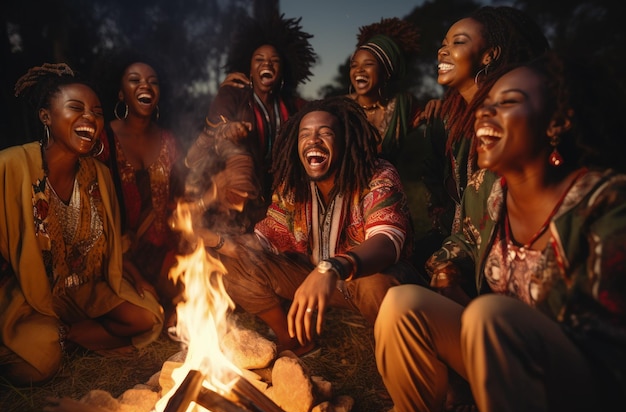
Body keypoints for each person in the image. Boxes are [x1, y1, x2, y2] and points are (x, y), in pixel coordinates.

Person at [374, 52, 626, 412]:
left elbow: (609, 346)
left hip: (591, 385)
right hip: (500, 352)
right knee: (403, 306)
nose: (484, 113)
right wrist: (447, 271)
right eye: (485, 103)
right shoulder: (488, 190)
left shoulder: (606, 204)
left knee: (489, 315)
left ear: (557, 122)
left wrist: (504, 325)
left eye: (507, 102)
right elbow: (462, 241)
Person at [180, 96, 421, 357]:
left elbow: (387, 241)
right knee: (231, 264)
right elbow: (263, 241)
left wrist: (332, 268)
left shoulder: (376, 174)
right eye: (305, 134)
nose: (313, 140)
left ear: (344, 140)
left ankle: (408, 356)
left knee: (376, 285)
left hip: (366, 280)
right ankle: (293, 339)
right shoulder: (295, 184)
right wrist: (212, 238)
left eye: (325, 133)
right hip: (315, 278)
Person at [0, 63, 163, 386]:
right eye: (76, 108)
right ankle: (58, 339)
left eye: (97, 112)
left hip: (83, 286)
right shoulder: (11, 165)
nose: (90, 118)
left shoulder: (97, 175)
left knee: (148, 315)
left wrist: (139, 278)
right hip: (29, 294)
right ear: (46, 116)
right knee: (37, 366)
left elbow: (113, 241)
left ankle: (70, 336)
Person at [420, 6, 550, 250]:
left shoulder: (513, 116)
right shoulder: (445, 117)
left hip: (513, 245)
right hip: (458, 244)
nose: (442, 51)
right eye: (443, 43)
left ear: (489, 55)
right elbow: (434, 178)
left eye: (457, 42)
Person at [184, 11, 316, 231]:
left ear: (282, 72)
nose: (268, 64)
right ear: (250, 69)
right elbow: (216, 126)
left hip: (273, 201)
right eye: (260, 59)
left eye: (275, 61)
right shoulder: (233, 93)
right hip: (229, 197)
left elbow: (322, 112)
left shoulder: (292, 106)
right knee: (239, 160)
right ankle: (203, 214)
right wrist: (228, 129)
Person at [98, 59, 185, 333]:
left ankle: (173, 305)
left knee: (203, 286)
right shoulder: (103, 139)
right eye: (135, 79)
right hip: (116, 254)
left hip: (163, 253)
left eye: (153, 81)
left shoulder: (170, 140)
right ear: (121, 92)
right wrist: (133, 275)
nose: (145, 85)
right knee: (145, 315)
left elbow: (181, 200)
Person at [347, 17, 422, 163]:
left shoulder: (403, 106)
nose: (359, 70)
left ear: (386, 72)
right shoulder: (340, 108)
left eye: (368, 64)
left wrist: (436, 108)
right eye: (354, 65)